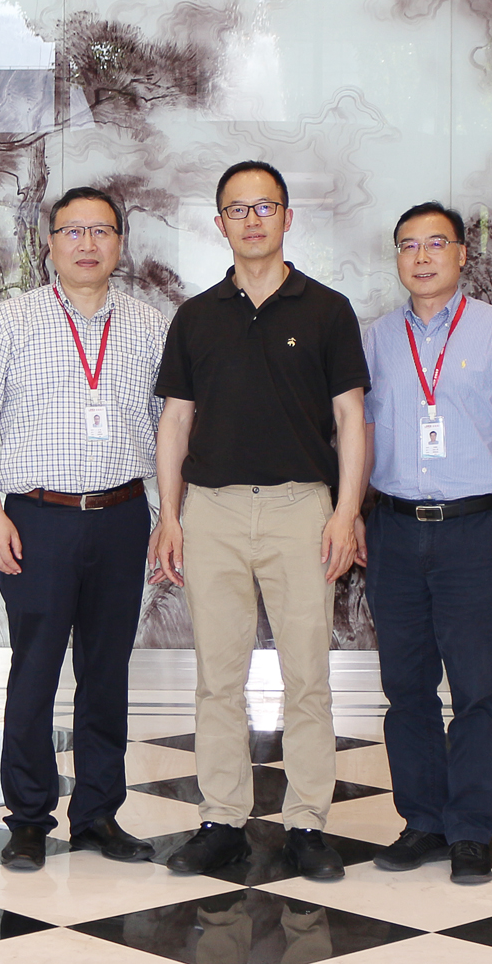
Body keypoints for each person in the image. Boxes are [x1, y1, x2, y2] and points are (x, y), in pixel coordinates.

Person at [148, 161, 370, 880]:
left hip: (301, 509)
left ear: (287, 217)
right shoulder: (196, 316)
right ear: (219, 224)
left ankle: (307, 823)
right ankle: (222, 820)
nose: (252, 220)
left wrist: (345, 511)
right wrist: (170, 515)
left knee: (307, 678)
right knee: (218, 679)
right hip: (210, 511)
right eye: (237, 210)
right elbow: (175, 421)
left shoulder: (327, 310)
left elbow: (351, 419)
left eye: (264, 206)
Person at [0, 186, 168, 870]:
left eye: (100, 230)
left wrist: (171, 515)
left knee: (106, 673)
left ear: (119, 243)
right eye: (72, 231)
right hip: (38, 520)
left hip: (122, 517)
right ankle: (27, 816)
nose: (86, 243)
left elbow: (172, 429)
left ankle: (98, 814)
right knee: (35, 670)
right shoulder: (13, 320)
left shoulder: (149, 326)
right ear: (50, 244)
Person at [360, 201, 492, 884]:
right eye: (407, 244)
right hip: (393, 527)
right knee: (405, 687)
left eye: (435, 243)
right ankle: (423, 821)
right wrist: (353, 514)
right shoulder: (376, 338)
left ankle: (470, 828)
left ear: (462, 254)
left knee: (474, 687)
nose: (421, 256)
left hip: (475, 526)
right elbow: (362, 433)